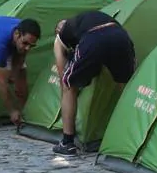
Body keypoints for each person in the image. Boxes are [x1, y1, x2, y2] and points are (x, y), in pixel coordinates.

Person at [52, 11, 136, 156]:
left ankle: (67, 142)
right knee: (126, 85)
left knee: (68, 86)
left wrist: (70, 87)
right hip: (121, 36)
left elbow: (62, 77)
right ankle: (130, 138)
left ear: (58, 30)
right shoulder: (87, 18)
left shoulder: (61, 37)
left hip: (94, 38)